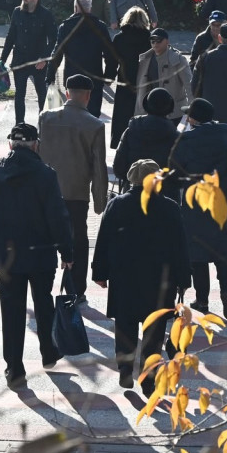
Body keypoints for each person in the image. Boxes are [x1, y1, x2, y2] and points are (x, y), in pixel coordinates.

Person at [0, 123, 74, 387]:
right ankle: (48, 351)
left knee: (12, 311)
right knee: (44, 304)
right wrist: (66, 250)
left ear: (10, 145)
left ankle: (14, 368)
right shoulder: (45, 174)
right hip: (41, 254)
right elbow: (58, 217)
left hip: (7, 257)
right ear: (35, 144)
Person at [92, 159, 191, 396]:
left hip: (124, 278)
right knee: (154, 332)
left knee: (124, 326)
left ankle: (126, 369)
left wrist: (100, 272)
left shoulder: (116, 205)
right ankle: (149, 379)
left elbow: (103, 240)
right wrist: (184, 279)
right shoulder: (169, 208)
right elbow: (180, 246)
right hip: (159, 281)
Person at [170, 98, 227, 321]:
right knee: (224, 252)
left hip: (195, 202)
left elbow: (175, 172)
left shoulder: (185, 139)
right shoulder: (226, 135)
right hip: (223, 201)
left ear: (193, 119)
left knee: (197, 253)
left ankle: (202, 299)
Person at [38, 75, 108, 301]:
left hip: (46, 193)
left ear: (67, 93)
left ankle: (44, 287)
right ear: (88, 96)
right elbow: (98, 167)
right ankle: (76, 290)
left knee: (46, 238)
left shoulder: (45, 118)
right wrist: (99, 202)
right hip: (76, 194)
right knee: (78, 241)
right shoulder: (95, 125)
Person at [48, 0, 115, 118]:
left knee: (73, 116)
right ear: (90, 8)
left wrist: (50, 76)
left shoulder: (66, 27)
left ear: (75, 8)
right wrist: (109, 76)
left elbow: (57, 53)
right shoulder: (100, 26)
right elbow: (110, 54)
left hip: (72, 77)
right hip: (94, 77)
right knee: (93, 117)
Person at [0, 0, 56, 124]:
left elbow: (54, 39)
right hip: (20, 60)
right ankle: (19, 124)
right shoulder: (17, 12)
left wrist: (44, 58)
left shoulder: (46, 15)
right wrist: (2, 60)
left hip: (38, 62)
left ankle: (43, 125)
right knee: (19, 95)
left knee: (42, 95)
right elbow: (10, 37)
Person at [106, 6, 151, 148]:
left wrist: (109, 76)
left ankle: (119, 141)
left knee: (122, 113)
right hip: (144, 78)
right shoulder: (149, 38)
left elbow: (112, 60)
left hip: (125, 78)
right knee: (142, 110)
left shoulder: (119, 38)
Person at [114, 88, 179, 186]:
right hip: (164, 192)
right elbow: (178, 172)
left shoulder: (131, 130)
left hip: (133, 188)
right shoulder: (175, 136)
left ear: (147, 106)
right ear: (169, 108)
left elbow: (119, 167)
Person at [133, 27, 192, 122]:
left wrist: (192, 109)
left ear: (167, 42)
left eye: (159, 40)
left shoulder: (178, 59)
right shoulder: (144, 59)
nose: (155, 43)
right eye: (152, 40)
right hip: (149, 111)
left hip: (173, 112)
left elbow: (189, 85)